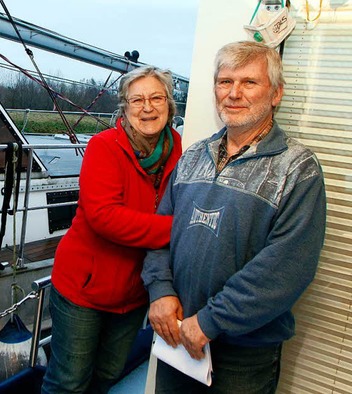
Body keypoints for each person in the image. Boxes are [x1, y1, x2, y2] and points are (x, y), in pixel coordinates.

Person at [142, 41, 327, 393]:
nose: (234, 93)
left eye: (249, 82)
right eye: (224, 82)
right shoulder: (194, 155)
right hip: (176, 335)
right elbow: (159, 233)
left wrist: (211, 321)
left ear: (276, 94)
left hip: (243, 355)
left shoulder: (298, 170)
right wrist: (160, 291)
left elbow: (285, 269)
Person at [42, 66, 182, 394]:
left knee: (108, 375)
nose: (147, 107)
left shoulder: (178, 148)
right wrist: (178, 230)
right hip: (84, 290)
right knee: (68, 382)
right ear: (125, 107)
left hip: (133, 294)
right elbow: (105, 217)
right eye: (137, 100)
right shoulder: (104, 147)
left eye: (156, 98)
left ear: (170, 105)